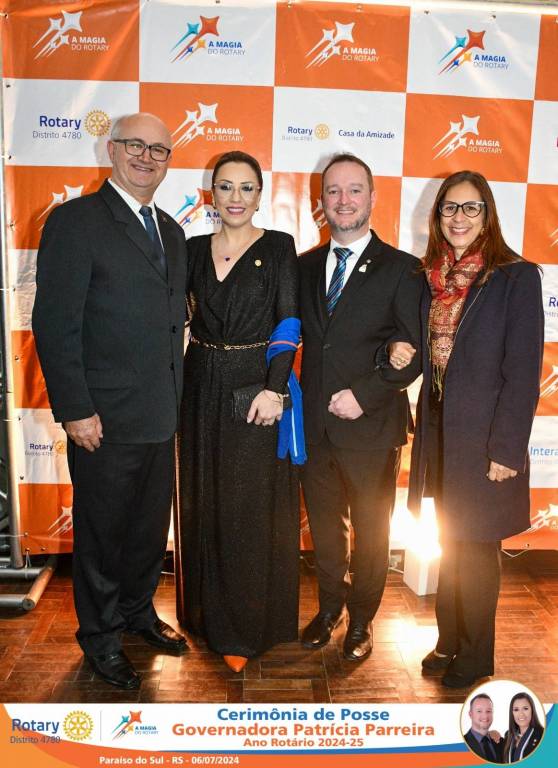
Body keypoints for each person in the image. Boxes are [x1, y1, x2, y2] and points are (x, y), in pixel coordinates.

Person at [32, 112, 189, 690]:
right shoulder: (75, 221)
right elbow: (55, 323)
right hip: (101, 417)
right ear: (112, 149)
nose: (147, 157)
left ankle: (137, 613)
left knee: (148, 530)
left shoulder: (170, 230)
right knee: (101, 535)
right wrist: (75, 408)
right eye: (135, 146)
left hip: (161, 413)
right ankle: (100, 637)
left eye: (159, 149)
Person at [392, 170, 544, 688]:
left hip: (486, 439)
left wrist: (506, 449)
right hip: (440, 433)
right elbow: (420, 351)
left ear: (488, 214)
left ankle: (477, 656)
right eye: (450, 208)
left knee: (476, 548)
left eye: (471, 207)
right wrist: (397, 351)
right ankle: (449, 640)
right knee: (450, 542)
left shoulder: (516, 277)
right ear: (438, 216)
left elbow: (522, 372)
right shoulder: (431, 278)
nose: (459, 218)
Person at [174, 151, 303, 673]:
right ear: (212, 194)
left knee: (247, 506)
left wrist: (274, 390)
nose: (235, 197)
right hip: (199, 383)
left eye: (246, 188)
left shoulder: (278, 247)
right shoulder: (191, 249)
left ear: (259, 195)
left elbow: (288, 322)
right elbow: (174, 317)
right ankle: (204, 618)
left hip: (254, 387)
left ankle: (247, 627)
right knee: (202, 497)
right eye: (225, 187)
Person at [298, 153, 422, 661]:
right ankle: (330, 608)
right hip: (314, 427)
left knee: (373, 534)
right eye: (333, 191)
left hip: (371, 427)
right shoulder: (304, 266)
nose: (343, 200)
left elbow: (415, 351)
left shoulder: (403, 269)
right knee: (327, 532)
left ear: (371, 198)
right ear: (321, 201)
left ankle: (362, 621)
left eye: (354, 190)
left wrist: (364, 395)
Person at [503, 692, 544, 762]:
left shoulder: (542, 735)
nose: (521, 714)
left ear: (532, 710)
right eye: (516, 710)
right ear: (512, 713)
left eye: (525, 708)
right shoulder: (508, 735)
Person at [464, 693, 503, 762]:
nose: (485, 716)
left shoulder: (501, 742)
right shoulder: (461, 744)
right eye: (479, 711)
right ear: (470, 714)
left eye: (488, 711)